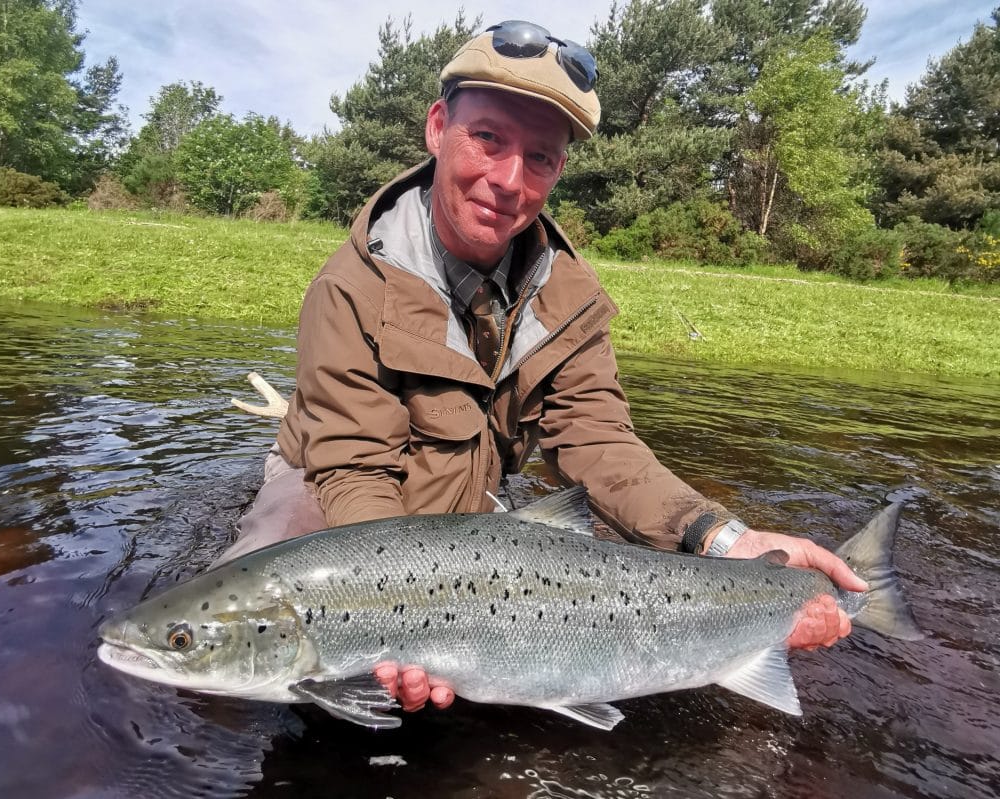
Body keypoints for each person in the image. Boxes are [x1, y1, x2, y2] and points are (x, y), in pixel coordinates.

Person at [219, 20, 865, 714]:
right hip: (336, 494)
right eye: (489, 138)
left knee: (589, 594)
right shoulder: (350, 286)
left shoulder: (570, 298)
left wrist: (727, 539)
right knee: (267, 666)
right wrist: (389, 616)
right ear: (439, 128)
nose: (507, 180)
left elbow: (601, 444)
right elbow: (352, 467)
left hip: (460, 518)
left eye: (540, 158)